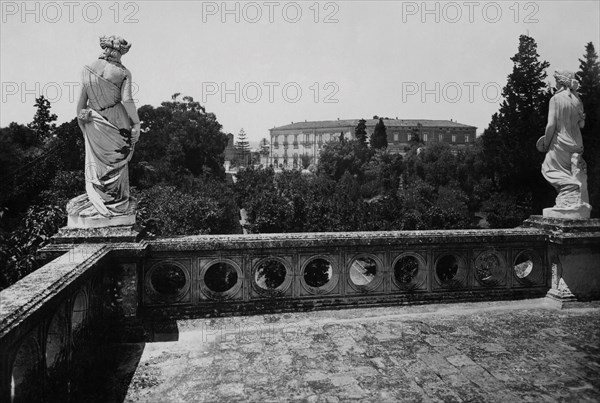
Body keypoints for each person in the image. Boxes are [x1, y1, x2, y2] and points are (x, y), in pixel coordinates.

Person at [66, 35, 141, 227]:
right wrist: (137, 123)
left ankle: (100, 202)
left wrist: (85, 125)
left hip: (94, 121)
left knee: (97, 166)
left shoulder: (87, 69)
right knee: (117, 164)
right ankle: (115, 204)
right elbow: (127, 100)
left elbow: (80, 105)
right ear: (120, 52)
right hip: (117, 120)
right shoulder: (123, 72)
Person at [539, 70, 591, 217]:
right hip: (577, 143)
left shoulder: (555, 99)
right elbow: (581, 125)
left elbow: (551, 125)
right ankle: (574, 201)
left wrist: (545, 143)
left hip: (560, 142)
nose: (555, 84)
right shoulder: (577, 99)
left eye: (556, 81)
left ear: (561, 82)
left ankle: (571, 196)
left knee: (548, 168)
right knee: (572, 172)